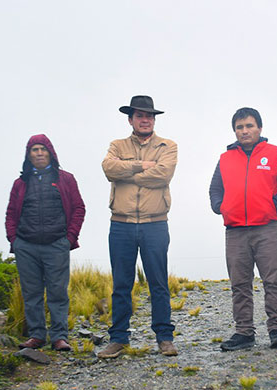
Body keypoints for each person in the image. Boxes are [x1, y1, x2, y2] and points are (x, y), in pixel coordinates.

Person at [209, 107, 277, 351]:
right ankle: (244, 332)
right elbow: (215, 189)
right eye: (239, 127)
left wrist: (273, 206)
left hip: (268, 228)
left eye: (249, 126)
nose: (244, 131)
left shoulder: (275, 153)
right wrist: (221, 207)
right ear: (235, 131)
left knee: (272, 280)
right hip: (235, 230)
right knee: (240, 283)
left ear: (259, 128)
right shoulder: (225, 158)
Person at [99, 96, 178, 358]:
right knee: (121, 284)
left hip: (155, 224)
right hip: (121, 225)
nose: (146, 120)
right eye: (140, 115)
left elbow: (163, 175)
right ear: (130, 119)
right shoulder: (116, 145)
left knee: (158, 283)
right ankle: (118, 338)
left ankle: (165, 338)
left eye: (150, 116)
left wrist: (128, 173)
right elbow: (109, 169)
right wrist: (142, 166)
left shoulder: (168, 146)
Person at [5, 134, 85, 351]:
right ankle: (37, 336)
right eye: (34, 149)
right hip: (26, 246)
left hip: (56, 244)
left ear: (50, 152)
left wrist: (69, 238)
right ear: (28, 155)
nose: (39, 153)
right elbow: (11, 213)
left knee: (58, 292)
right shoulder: (20, 183)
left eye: (43, 149)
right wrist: (14, 239)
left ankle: (59, 337)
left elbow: (78, 208)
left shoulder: (65, 179)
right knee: (31, 293)